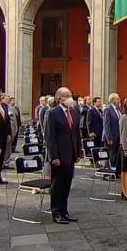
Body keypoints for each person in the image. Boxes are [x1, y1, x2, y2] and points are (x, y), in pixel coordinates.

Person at [45, 87, 82, 224]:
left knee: (66, 185)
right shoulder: (52, 113)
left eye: (70, 95)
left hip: (71, 155)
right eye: (67, 96)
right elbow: (50, 137)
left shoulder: (74, 112)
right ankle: (56, 212)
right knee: (57, 185)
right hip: (59, 156)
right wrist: (53, 156)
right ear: (59, 98)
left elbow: (76, 134)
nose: (70, 98)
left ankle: (64, 210)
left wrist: (78, 152)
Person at [102, 93, 122, 179]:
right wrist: (109, 137)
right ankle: (107, 173)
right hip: (110, 137)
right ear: (113, 100)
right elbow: (107, 125)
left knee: (117, 155)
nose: (119, 100)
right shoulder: (108, 110)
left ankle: (115, 172)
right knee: (110, 155)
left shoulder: (118, 110)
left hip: (118, 136)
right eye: (118, 99)